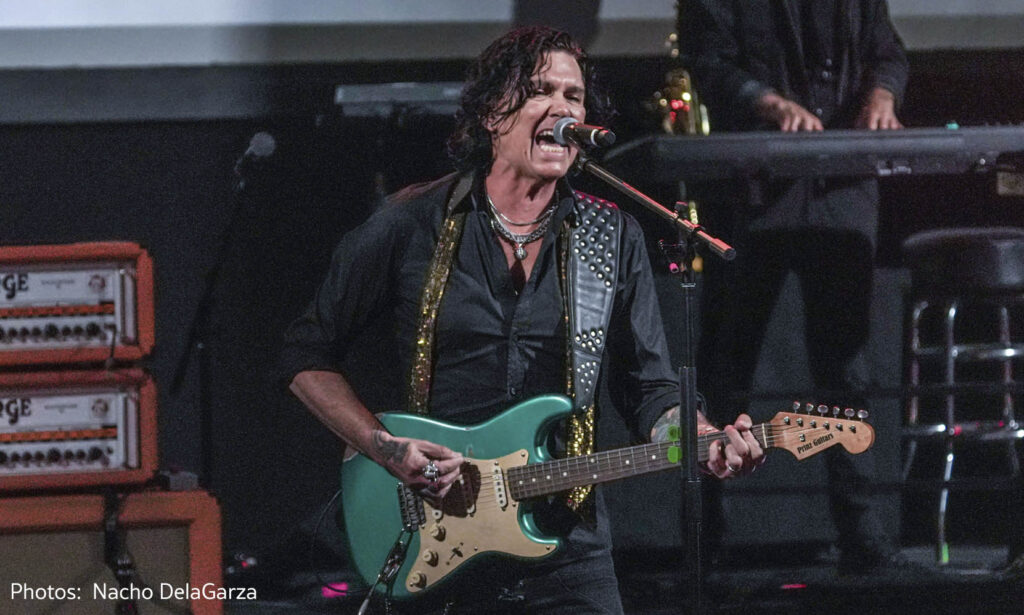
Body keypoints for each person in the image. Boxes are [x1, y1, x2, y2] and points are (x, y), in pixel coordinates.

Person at [280, 26, 765, 614]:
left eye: (573, 96)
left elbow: (651, 389)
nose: (563, 109)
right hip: (434, 539)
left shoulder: (610, 236)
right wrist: (386, 449)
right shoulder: (412, 223)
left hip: (570, 552)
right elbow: (306, 354)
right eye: (540, 91)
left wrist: (699, 438)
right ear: (491, 114)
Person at [677, 0, 909, 574]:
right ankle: (704, 540)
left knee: (846, 367)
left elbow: (887, 53)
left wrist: (882, 95)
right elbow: (711, 63)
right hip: (752, 188)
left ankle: (861, 536)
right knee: (727, 365)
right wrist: (772, 104)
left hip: (841, 184)